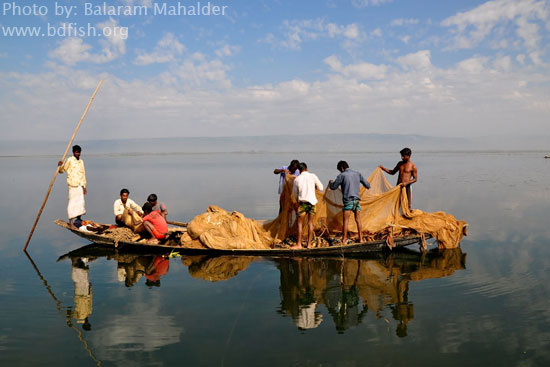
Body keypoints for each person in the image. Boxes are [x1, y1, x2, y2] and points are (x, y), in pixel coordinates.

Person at [328, 161, 371, 244]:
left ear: (342, 168)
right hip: (357, 201)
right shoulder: (357, 174)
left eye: (340, 170)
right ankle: (361, 239)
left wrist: (330, 183)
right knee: (358, 220)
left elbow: (333, 187)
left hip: (348, 201)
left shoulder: (342, 175)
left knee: (346, 221)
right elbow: (368, 185)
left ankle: (344, 240)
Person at [292, 162, 323, 249]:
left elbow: (294, 194)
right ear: (307, 169)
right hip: (312, 203)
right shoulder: (313, 176)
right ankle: (309, 244)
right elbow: (321, 188)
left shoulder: (297, 179)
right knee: (310, 223)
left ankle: (299, 244)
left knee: (300, 224)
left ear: (299, 170)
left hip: (303, 204)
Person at [58, 145, 87, 230]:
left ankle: (78, 220)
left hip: (79, 185)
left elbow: (83, 174)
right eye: (76, 152)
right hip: (72, 185)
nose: (77, 154)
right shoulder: (70, 160)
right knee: (72, 203)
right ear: (73, 152)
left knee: (80, 203)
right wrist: (60, 166)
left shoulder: (81, 161)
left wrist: (84, 186)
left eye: (79, 152)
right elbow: (62, 171)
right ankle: (71, 222)